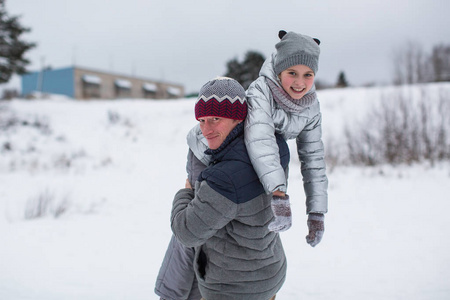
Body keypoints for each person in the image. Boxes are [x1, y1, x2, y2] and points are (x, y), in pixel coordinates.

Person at [170, 77, 289, 300]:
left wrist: (185, 192)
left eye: (216, 118)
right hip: (270, 273)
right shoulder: (273, 146)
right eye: (202, 120)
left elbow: (186, 232)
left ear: (238, 116)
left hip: (232, 289)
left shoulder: (224, 179)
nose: (206, 129)